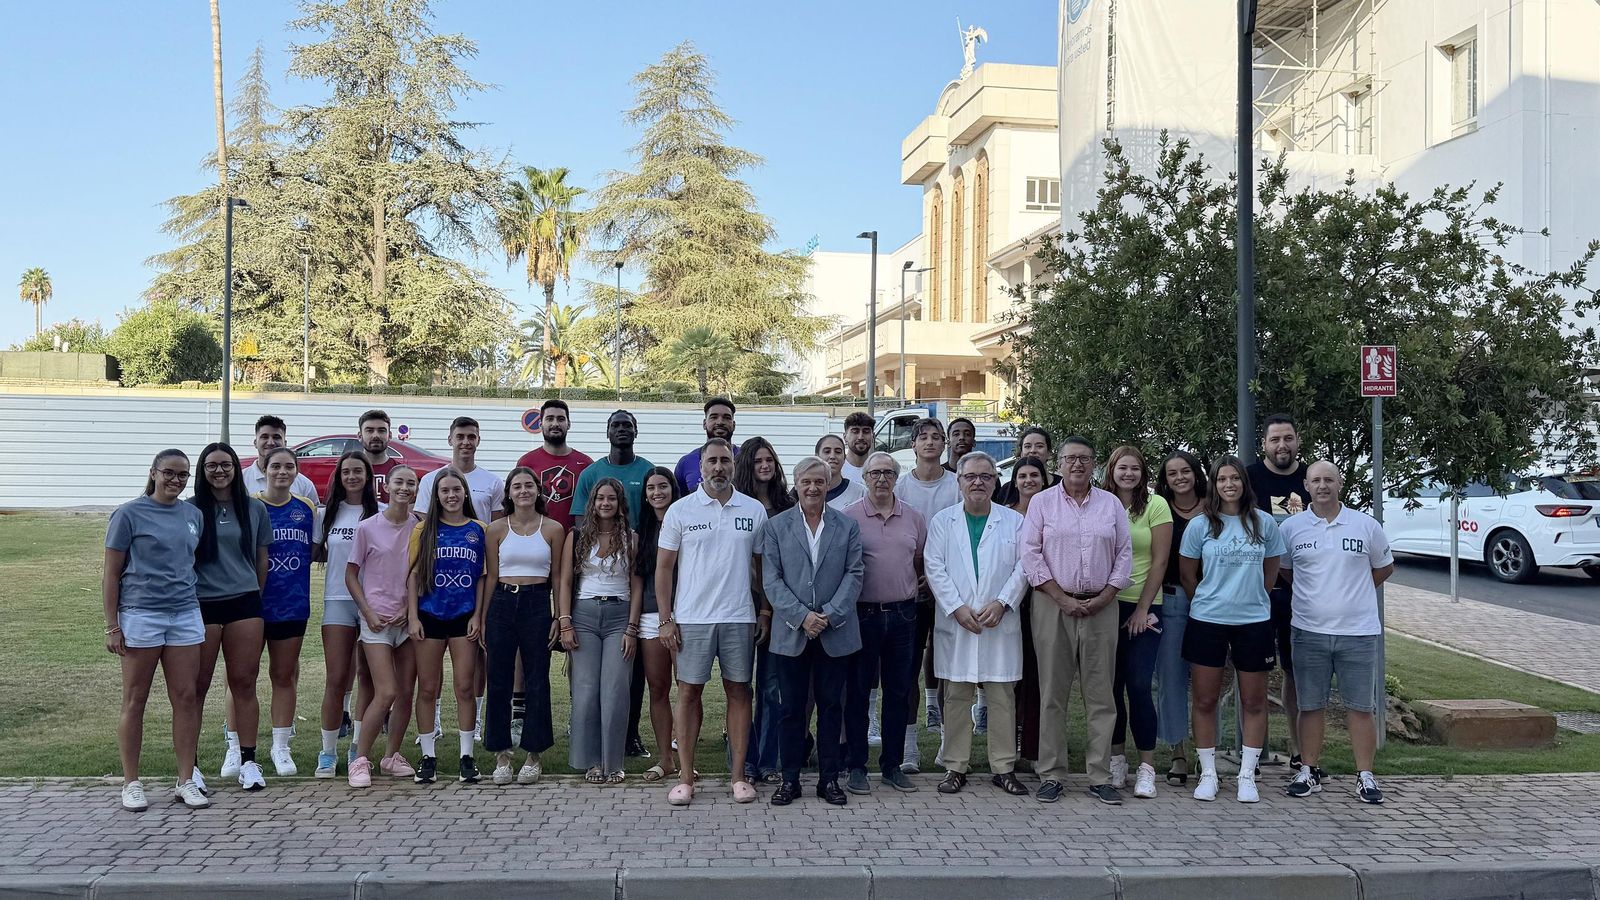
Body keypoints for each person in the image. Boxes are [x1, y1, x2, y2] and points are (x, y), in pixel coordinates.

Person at [656, 438, 770, 806]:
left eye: (725, 461)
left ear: (734, 465)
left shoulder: (752, 510)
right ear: (700, 466)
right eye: (712, 462)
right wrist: (666, 619)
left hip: (739, 617)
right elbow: (664, 568)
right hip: (691, 620)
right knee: (688, 693)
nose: (718, 467)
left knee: (740, 692)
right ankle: (687, 778)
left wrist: (765, 610)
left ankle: (738, 777)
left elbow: (762, 568)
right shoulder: (680, 511)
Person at [1020, 436, 1133, 805]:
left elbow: (1124, 554)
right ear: (1059, 462)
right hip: (1053, 606)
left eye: (1085, 459)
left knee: (1101, 696)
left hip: (1102, 606)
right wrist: (1061, 598)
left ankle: (1099, 775)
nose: (1077, 465)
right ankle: (1051, 773)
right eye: (1070, 458)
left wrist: (1105, 596)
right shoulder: (1042, 502)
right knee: (1052, 693)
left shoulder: (1111, 504)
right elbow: (1031, 555)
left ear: (1094, 463)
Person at [1280, 461, 1394, 805]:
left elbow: (1383, 567)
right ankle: (1309, 771)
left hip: (1357, 632)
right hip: (1308, 630)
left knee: (1360, 707)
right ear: (1306, 485)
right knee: (1310, 705)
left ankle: (1365, 776)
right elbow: (1284, 571)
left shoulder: (1365, 525)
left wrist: (1352, 593)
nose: (1322, 485)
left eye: (1329, 479)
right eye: (1315, 480)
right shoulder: (1292, 528)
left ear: (1340, 483)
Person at [1178, 455, 1286, 803]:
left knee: (1254, 701)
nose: (1229, 485)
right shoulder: (1201, 525)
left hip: (1253, 621)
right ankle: (1208, 773)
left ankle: (1246, 775)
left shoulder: (1264, 523)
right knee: (1205, 699)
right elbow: (1188, 574)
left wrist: (1253, 598)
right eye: (1222, 479)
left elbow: (1272, 569)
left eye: (1234, 479)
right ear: (1213, 484)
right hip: (1208, 620)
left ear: (1244, 483)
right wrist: (1210, 600)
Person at [105, 449, 209, 811]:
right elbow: (111, 574)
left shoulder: (193, 514)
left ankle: (185, 780)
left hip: (184, 615)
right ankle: (131, 783)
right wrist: (112, 625)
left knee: (185, 698)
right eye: (169, 473)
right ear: (153, 473)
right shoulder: (128, 514)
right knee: (136, 699)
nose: (176, 480)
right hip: (140, 615)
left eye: (183, 475)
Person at [925, 452, 1029, 795]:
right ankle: (955, 766)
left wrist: (1003, 603)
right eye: (970, 476)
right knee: (956, 696)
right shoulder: (943, 521)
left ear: (995, 482)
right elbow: (934, 567)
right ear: (959, 481)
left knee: (1001, 697)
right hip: (958, 622)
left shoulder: (1013, 522)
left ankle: (1003, 767)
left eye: (986, 476)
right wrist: (956, 608)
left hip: (999, 620)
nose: (978, 482)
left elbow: (1023, 568)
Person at [763, 456, 864, 806]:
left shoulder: (847, 526)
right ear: (796, 483)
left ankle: (829, 779)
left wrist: (829, 615)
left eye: (819, 481)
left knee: (832, 707)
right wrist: (802, 617)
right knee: (790, 709)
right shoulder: (776, 527)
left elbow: (855, 574)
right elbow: (771, 580)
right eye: (807, 481)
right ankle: (789, 779)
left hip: (835, 632)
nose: (813, 487)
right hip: (791, 633)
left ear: (828, 483)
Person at [840, 451, 924, 794]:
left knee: (899, 693)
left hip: (904, 615)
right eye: (874, 473)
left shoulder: (914, 518)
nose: (881, 479)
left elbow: (920, 560)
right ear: (864, 478)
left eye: (888, 473)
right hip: (863, 615)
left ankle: (892, 765)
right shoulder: (848, 518)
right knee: (859, 693)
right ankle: (857, 766)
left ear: (896, 477)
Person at [190, 442, 271, 791]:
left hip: (244, 604)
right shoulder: (189, 510)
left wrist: (252, 592)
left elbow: (261, 559)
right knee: (196, 687)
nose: (219, 471)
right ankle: (189, 766)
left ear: (237, 468)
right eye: (211, 465)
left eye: (226, 464)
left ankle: (249, 761)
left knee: (244, 683)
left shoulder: (253, 509)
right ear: (202, 470)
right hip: (201, 605)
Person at [406, 467, 488, 785]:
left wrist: (477, 616)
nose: (451, 495)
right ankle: (428, 757)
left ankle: (467, 756)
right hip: (429, 615)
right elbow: (412, 575)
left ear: (465, 493)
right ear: (436, 495)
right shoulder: (424, 530)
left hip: (463, 615)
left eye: (456, 490)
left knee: (465, 687)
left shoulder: (478, 529)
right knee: (427, 688)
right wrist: (413, 617)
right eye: (445, 491)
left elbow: (482, 578)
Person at [482, 466, 563, 785]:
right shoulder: (496, 529)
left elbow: (558, 577)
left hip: (537, 603)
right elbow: (489, 575)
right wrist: (481, 616)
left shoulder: (554, 529)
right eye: (517, 486)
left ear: (538, 491)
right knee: (498, 678)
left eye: (529, 485)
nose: (524, 491)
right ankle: (501, 755)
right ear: (509, 493)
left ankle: (533, 754)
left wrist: (559, 615)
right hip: (502, 602)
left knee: (537, 679)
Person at [1102, 446, 1173, 799]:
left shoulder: (1156, 505)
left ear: (1143, 473)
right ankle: (1116, 760)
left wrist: (1143, 608)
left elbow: (1160, 561)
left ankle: (1147, 767)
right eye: (1122, 467)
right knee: (1110, 688)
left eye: (1135, 468)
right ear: (1111, 470)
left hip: (1143, 607)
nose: (1128, 474)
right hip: (1105, 606)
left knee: (1140, 685)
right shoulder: (1100, 502)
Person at [345, 465, 421, 787]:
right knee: (385, 690)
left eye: (411, 483)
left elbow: (421, 572)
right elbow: (351, 575)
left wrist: (409, 608)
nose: (405, 488)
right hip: (376, 621)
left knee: (405, 692)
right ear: (387, 487)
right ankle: (359, 759)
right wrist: (368, 612)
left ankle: (391, 756)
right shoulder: (367, 528)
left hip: (408, 620)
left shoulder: (420, 526)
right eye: (399, 482)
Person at [560, 477, 638, 784]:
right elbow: (565, 581)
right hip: (584, 616)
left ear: (620, 504)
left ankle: (614, 763)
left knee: (616, 691)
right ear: (592, 503)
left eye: (612, 499)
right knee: (586, 690)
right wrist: (565, 621)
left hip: (620, 616)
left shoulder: (630, 538)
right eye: (600, 498)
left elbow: (636, 583)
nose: (605, 503)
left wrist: (632, 628)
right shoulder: (577, 536)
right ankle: (591, 762)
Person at [892, 417, 960, 772]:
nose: (931, 442)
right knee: (907, 672)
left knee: (950, 669)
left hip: (951, 591)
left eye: (937, 437)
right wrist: (917, 576)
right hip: (912, 591)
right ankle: (910, 749)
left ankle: (949, 747)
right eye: (924, 438)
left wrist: (941, 580)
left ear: (945, 445)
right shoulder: (901, 487)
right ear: (914, 446)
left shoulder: (957, 485)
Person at [1247, 412, 1313, 768]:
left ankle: (1298, 750)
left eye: (1288, 438)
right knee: (1252, 670)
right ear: (1264, 445)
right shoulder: (1251, 478)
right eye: (1275, 439)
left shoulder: (1310, 479)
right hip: (1257, 589)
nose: (1282, 445)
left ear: (1297, 440)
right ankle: (1252, 753)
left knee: (1294, 670)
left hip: (1300, 592)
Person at [255, 447, 322, 778]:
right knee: (241, 678)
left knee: (283, 675)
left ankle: (280, 746)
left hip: (292, 604)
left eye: (289, 467)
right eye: (276, 466)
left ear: (296, 472)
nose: (282, 471)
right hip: (252, 606)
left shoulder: (306, 508)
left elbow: (311, 552)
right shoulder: (252, 506)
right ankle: (237, 747)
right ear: (264, 468)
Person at [312, 451, 378, 779]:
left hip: (373, 602)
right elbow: (314, 552)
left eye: (358, 471)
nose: (352, 477)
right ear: (338, 477)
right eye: (346, 472)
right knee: (337, 678)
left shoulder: (378, 512)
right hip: (337, 599)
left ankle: (357, 749)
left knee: (367, 676)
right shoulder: (326, 514)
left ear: (368, 477)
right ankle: (327, 752)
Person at [733, 437, 793, 784]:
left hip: (778, 604)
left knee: (772, 686)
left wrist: (771, 608)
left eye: (769, 459)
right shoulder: (738, 505)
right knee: (740, 686)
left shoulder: (787, 505)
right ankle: (744, 761)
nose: (765, 466)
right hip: (741, 601)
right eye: (757, 461)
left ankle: (768, 760)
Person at [1153, 450, 1209, 787]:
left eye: (1185, 471)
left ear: (1195, 473)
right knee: (1171, 679)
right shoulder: (1159, 508)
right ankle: (1178, 752)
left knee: (1207, 683)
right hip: (1172, 600)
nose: (1179, 478)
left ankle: (1208, 753)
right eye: (1172, 473)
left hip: (1213, 604)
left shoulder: (1214, 505)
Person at [633, 467, 684, 783]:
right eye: (650, 488)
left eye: (662, 486)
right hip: (651, 617)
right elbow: (639, 578)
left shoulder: (686, 522)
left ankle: (687, 761)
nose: (656, 493)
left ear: (672, 489)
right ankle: (665, 759)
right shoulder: (642, 531)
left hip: (687, 614)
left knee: (688, 689)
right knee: (659, 688)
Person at [1005, 456, 1050, 765]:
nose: (1029, 480)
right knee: (1009, 679)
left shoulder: (1053, 514)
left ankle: (1032, 750)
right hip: (1009, 605)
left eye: (1035, 474)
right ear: (1014, 481)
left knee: (1036, 678)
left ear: (1045, 480)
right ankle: (1008, 745)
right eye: (1022, 475)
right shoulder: (1005, 516)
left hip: (1043, 602)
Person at [515, 399, 594, 531]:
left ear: (569, 424)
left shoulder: (586, 463)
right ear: (541, 424)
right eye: (550, 419)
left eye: (561, 419)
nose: (555, 424)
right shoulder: (526, 462)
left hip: (575, 540)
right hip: (537, 539)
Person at [573, 410, 654, 526]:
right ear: (607, 433)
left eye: (627, 425)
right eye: (615, 425)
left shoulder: (649, 472)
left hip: (640, 542)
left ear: (636, 432)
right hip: (601, 543)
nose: (621, 429)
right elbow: (581, 518)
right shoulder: (589, 474)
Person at [418, 417, 506, 521]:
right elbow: (422, 522)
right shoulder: (429, 480)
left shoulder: (494, 482)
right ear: (450, 440)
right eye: (460, 437)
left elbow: (497, 526)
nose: (466, 442)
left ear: (478, 441)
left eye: (471, 437)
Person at [241, 415, 319, 499]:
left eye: (276, 437)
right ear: (255, 443)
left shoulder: (304, 485)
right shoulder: (241, 480)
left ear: (285, 443)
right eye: (265, 437)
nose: (270, 442)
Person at [675, 398, 738, 494]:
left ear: (733, 425)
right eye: (714, 417)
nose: (720, 422)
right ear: (704, 424)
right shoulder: (686, 463)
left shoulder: (748, 458)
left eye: (726, 417)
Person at [995, 426, 1057, 507]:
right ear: (1021, 452)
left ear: (1049, 452)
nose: (1033, 450)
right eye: (1027, 446)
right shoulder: (1007, 490)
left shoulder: (1061, 486)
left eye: (1039, 446)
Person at [357, 410, 403, 504]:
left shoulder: (402, 473)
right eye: (369, 430)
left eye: (381, 430)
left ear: (389, 435)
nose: (376, 435)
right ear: (360, 436)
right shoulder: (345, 473)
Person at [815, 434, 867, 509]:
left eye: (838, 452)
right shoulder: (803, 492)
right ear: (816, 457)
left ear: (844, 457)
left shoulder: (860, 493)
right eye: (827, 451)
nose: (832, 456)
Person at [840, 412, 875, 482]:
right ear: (845, 437)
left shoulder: (880, 470)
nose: (860, 437)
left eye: (866, 431)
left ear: (873, 437)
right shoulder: (837, 470)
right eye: (855, 431)